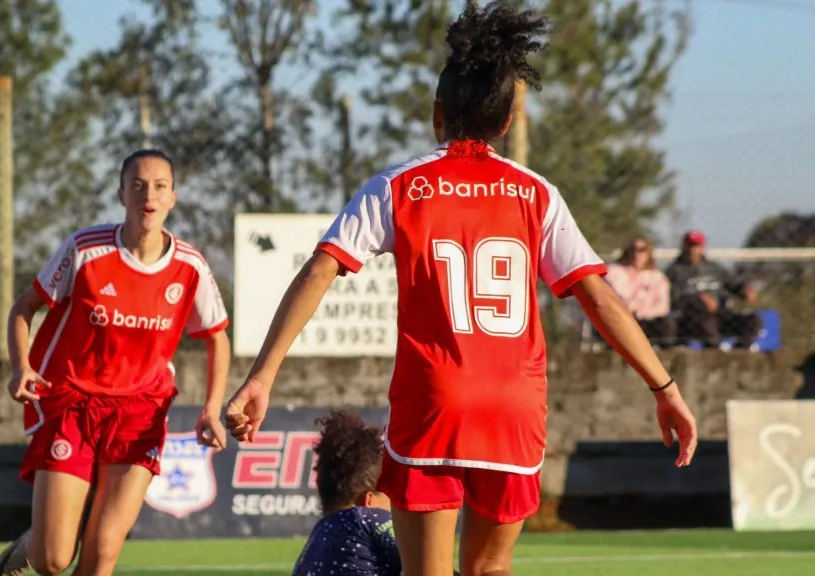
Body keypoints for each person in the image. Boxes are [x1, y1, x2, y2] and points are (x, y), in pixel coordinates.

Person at [224, 4, 698, 576]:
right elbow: (598, 297)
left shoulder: (398, 187)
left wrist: (261, 376)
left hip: (434, 403)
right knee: (490, 569)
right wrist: (664, 388)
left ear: (437, 115)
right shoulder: (537, 194)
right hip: (513, 408)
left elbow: (318, 271)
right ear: (506, 123)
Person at [0, 149, 231, 576]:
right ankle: (27, 547)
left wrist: (211, 409)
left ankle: (68, 532)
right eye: (137, 186)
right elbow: (23, 308)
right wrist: (20, 367)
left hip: (140, 412)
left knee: (103, 551)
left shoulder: (189, 266)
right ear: (121, 194)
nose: (148, 196)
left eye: (159, 186)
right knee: (52, 559)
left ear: (173, 197)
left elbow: (217, 338)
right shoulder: (85, 249)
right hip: (73, 403)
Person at [293, 409, 404, 576]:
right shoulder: (367, 519)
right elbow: (430, 565)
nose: (394, 509)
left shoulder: (312, 544)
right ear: (368, 501)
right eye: (390, 499)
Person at [665, 230, 761, 350]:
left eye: (696, 246)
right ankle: (714, 353)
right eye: (690, 245)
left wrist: (744, 291)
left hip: (721, 314)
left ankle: (740, 353)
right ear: (684, 246)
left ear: (702, 247)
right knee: (707, 322)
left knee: (752, 320)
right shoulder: (674, 271)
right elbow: (675, 299)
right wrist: (698, 301)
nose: (693, 250)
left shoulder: (715, 269)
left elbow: (733, 283)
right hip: (693, 319)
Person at [603, 235, 675, 348]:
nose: (637, 254)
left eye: (642, 250)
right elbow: (615, 296)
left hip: (648, 319)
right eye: (634, 249)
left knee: (666, 323)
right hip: (622, 317)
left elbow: (663, 306)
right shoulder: (614, 272)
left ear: (649, 253)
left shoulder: (658, 277)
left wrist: (641, 312)